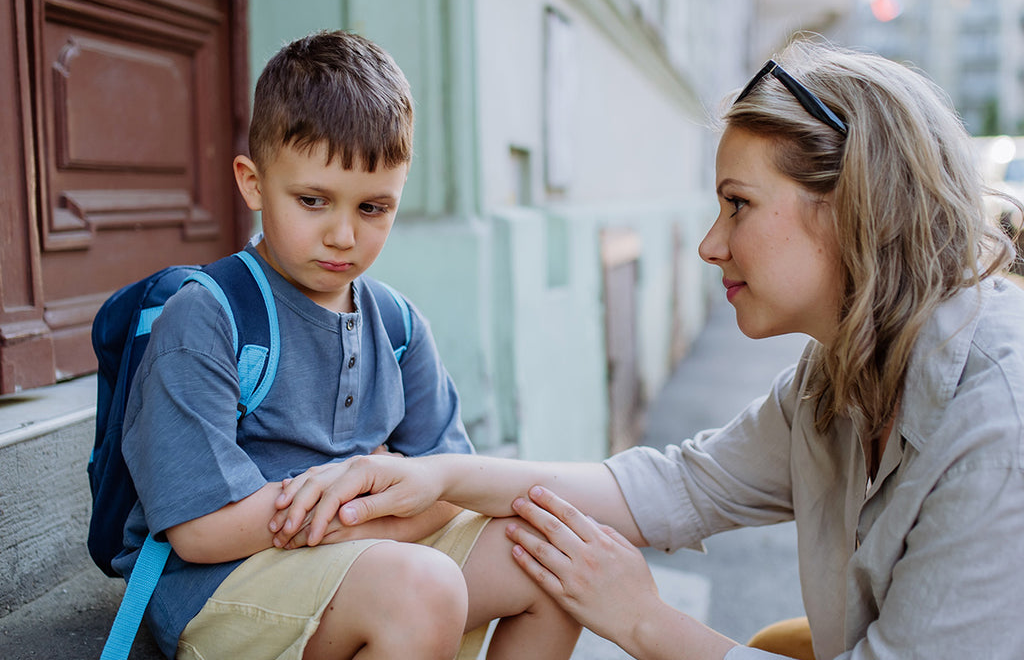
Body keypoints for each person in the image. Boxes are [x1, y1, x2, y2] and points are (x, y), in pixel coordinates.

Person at [269, 39, 1024, 660]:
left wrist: (641, 620)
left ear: (851, 207)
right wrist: (438, 476)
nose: (709, 243)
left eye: (738, 205)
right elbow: (679, 487)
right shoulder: (833, 378)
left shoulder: (998, 421)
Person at [116, 30, 580, 660]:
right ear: (253, 183)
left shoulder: (396, 324)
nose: (342, 235)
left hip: (359, 560)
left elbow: (449, 484)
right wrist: (368, 501)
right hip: (222, 585)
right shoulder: (208, 317)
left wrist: (370, 511)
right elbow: (201, 530)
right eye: (312, 200)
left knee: (549, 560)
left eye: (373, 207)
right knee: (421, 586)